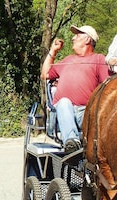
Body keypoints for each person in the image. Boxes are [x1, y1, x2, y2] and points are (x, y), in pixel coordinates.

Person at [41, 25, 109, 153]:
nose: (73, 38)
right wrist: (53, 51)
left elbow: (108, 86)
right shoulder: (68, 60)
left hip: (86, 113)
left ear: (87, 40)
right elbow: (45, 74)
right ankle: (72, 143)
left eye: (77, 35)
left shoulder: (98, 59)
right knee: (64, 102)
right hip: (63, 111)